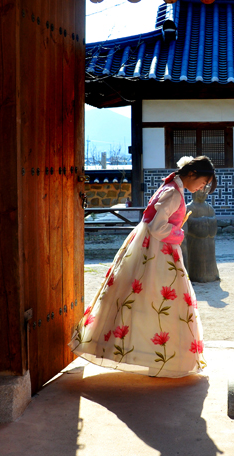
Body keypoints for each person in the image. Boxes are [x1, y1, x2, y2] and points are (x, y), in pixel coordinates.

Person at [71, 156, 217, 378]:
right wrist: (180, 232)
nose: (201, 187)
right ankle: (160, 357)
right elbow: (158, 227)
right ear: (192, 174)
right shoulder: (172, 193)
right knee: (161, 299)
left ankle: (149, 355)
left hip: (149, 248)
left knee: (143, 299)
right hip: (157, 251)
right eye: (203, 182)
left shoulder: (170, 187)